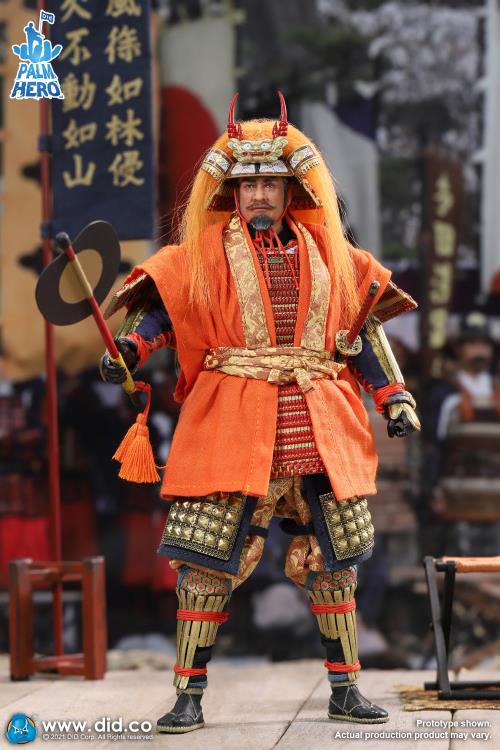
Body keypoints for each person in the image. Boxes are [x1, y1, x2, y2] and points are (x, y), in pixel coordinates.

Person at [100, 93, 420, 733]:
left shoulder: (331, 254)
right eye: (248, 184)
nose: (259, 195)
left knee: (335, 565)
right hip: (232, 418)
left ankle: (345, 689)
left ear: (291, 187)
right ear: (232, 192)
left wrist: (395, 396)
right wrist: (130, 350)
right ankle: (188, 696)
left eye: (270, 182)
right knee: (204, 567)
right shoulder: (202, 256)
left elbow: (362, 329)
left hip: (318, 418)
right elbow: (164, 311)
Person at [425, 311, 500, 555]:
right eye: (472, 344)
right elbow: (433, 448)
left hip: (497, 502)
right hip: (457, 502)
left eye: (485, 344)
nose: (480, 351)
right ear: (457, 349)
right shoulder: (445, 394)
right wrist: (432, 489)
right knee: (460, 570)